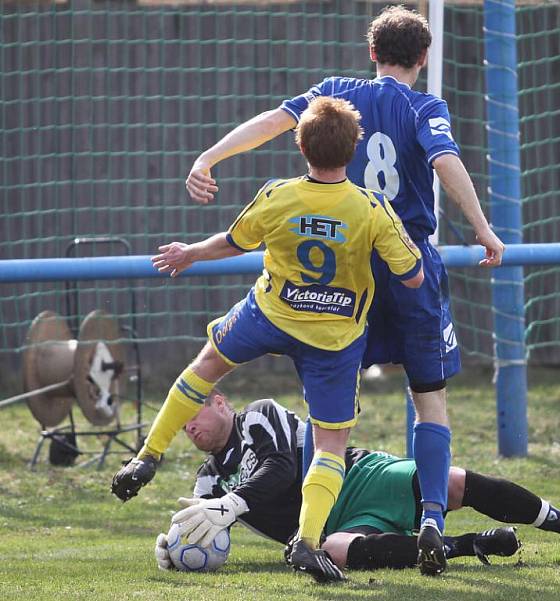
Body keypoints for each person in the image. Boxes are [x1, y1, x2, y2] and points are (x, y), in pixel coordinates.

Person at [183, 6, 506, 576]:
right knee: (428, 397)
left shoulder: (335, 93)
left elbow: (271, 122)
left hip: (344, 271)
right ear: (423, 58)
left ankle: (315, 530)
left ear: (372, 53)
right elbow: (446, 161)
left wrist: (210, 156)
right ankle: (431, 515)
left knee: (329, 416)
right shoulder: (425, 106)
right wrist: (481, 228)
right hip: (406, 265)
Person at [111, 97, 424, 583]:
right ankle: (305, 541)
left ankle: (147, 455)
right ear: (354, 148)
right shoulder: (370, 209)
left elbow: (233, 242)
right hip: (333, 336)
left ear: (300, 144)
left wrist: (188, 253)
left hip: (272, 313)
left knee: (205, 367)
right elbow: (413, 277)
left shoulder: (278, 196)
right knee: (329, 443)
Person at [153, 391, 560, 576]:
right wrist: (174, 547)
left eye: (188, 415)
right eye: (178, 426)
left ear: (217, 401)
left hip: (360, 478)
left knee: (450, 482)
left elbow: (279, 469)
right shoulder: (208, 480)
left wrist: (232, 504)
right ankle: (468, 546)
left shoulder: (258, 416)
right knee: (340, 551)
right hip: (323, 529)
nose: (186, 428)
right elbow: (206, 532)